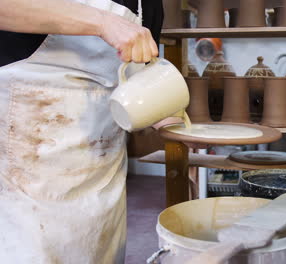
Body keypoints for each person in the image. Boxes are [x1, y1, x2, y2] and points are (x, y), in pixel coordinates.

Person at [0, 0, 163, 263]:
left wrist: (165, 116)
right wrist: (101, 22)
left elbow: (135, 75)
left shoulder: (151, 4)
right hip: (26, 144)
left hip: (101, 163)